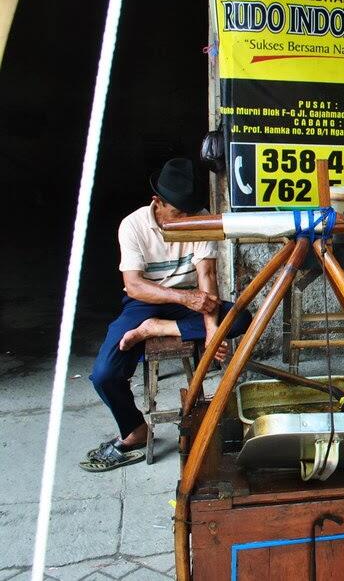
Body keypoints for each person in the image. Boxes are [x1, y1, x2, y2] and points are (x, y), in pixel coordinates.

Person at [81, 158, 252, 472]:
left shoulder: (200, 220)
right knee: (105, 375)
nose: (185, 219)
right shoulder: (132, 225)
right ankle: (134, 430)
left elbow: (207, 278)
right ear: (156, 202)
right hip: (145, 301)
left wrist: (213, 330)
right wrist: (184, 297)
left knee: (240, 318)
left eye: (189, 212)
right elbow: (134, 286)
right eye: (178, 213)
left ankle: (157, 328)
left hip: (190, 301)